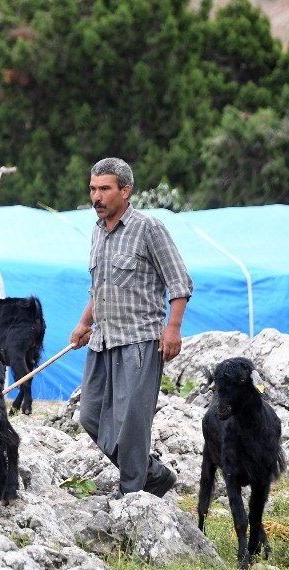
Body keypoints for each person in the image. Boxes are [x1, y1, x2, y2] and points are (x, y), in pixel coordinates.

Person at [69, 158, 193, 499]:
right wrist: (84, 322)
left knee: (131, 426)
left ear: (126, 191)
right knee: (90, 417)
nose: (97, 197)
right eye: (93, 188)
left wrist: (173, 328)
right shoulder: (96, 231)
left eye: (104, 189)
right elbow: (100, 287)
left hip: (140, 341)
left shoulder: (149, 228)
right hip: (102, 341)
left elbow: (180, 282)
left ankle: (132, 495)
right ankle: (153, 475)